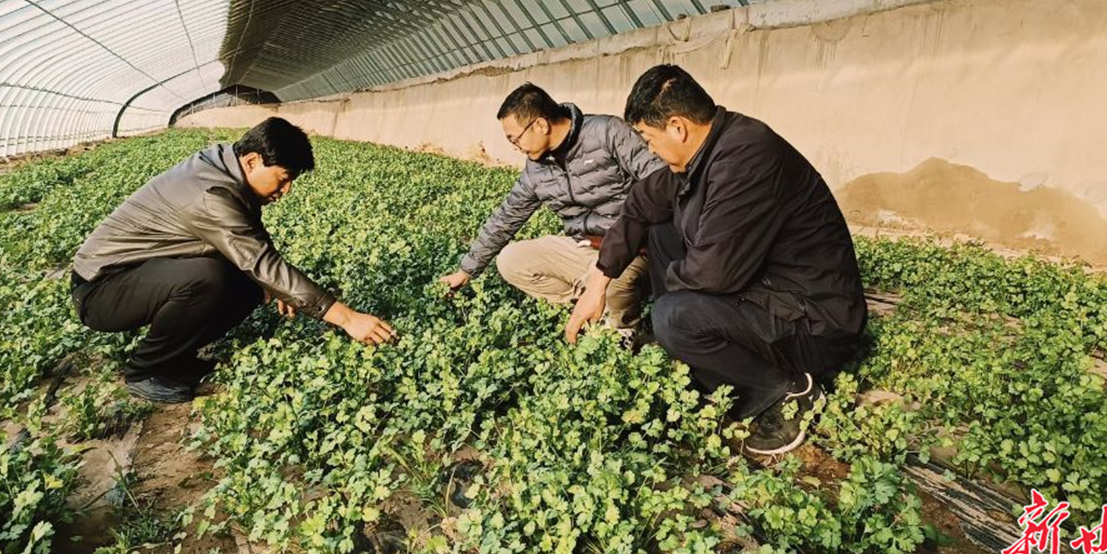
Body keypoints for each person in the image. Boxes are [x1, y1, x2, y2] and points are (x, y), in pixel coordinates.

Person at [565, 65, 867, 456]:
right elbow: (640, 203)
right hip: (769, 292)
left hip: (814, 322)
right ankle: (697, 351)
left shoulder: (747, 157)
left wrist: (671, 301)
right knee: (660, 229)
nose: (650, 150)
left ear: (678, 127)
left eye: (648, 139)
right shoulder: (702, 154)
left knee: (674, 316)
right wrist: (598, 283)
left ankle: (785, 393)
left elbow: (714, 273)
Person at [71, 117, 396, 403]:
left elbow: (251, 241)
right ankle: (145, 371)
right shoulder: (210, 192)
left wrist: (280, 288)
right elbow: (259, 261)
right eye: (283, 178)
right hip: (101, 290)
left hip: (140, 277)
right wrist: (347, 318)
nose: (287, 190)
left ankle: (175, 358)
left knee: (249, 284)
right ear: (253, 160)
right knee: (208, 278)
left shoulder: (227, 167)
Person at [438, 83, 664, 333]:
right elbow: (506, 217)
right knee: (512, 260)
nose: (515, 146)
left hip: (631, 247)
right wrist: (466, 270)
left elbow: (659, 183)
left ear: (541, 125)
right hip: (584, 246)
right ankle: (589, 304)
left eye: (514, 138)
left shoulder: (607, 133)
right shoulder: (536, 168)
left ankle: (622, 328)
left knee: (615, 285)